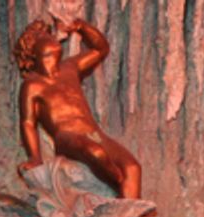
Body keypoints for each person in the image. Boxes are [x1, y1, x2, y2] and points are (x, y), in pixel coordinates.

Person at [13, 16, 141, 199]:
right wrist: (35, 157)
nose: (50, 37)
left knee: (132, 166)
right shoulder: (33, 85)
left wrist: (81, 26)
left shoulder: (70, 68)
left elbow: (100, 48)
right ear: (33, 49)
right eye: (42, 35)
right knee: (96, 153)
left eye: (47, 33)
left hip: (93, 132)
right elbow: (27, 123)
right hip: (66, 137)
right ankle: (119, 186)